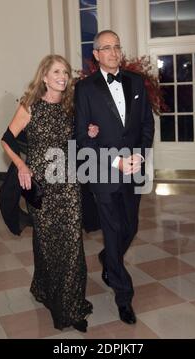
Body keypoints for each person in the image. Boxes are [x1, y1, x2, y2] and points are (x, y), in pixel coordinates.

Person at [1, 55, 96, 332]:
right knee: (47, 243)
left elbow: (77, 142)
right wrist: (21, 165)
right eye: (56, 71)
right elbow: (6, 139)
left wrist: (88, 131)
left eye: (65, 72)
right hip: (40, 186)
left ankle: (71, 307)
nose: (62, 76)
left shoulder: (70, 107)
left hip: (68, 185)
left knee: (71, 245)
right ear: (44, 76)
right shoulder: (29, 106)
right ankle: (44, 288)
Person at [75, 30, 155, 324]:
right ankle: (124, 297)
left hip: (133, 170)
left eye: (116, 47)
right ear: (96, 55)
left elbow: (147, 124)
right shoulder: (85, 89)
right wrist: (116, 160)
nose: (112, 52)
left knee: (130, 227)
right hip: (103, 172)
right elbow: (82, 137)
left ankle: (109, 259)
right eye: (105, 48)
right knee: (112, 229)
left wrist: (141, 154)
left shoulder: (135, 82)